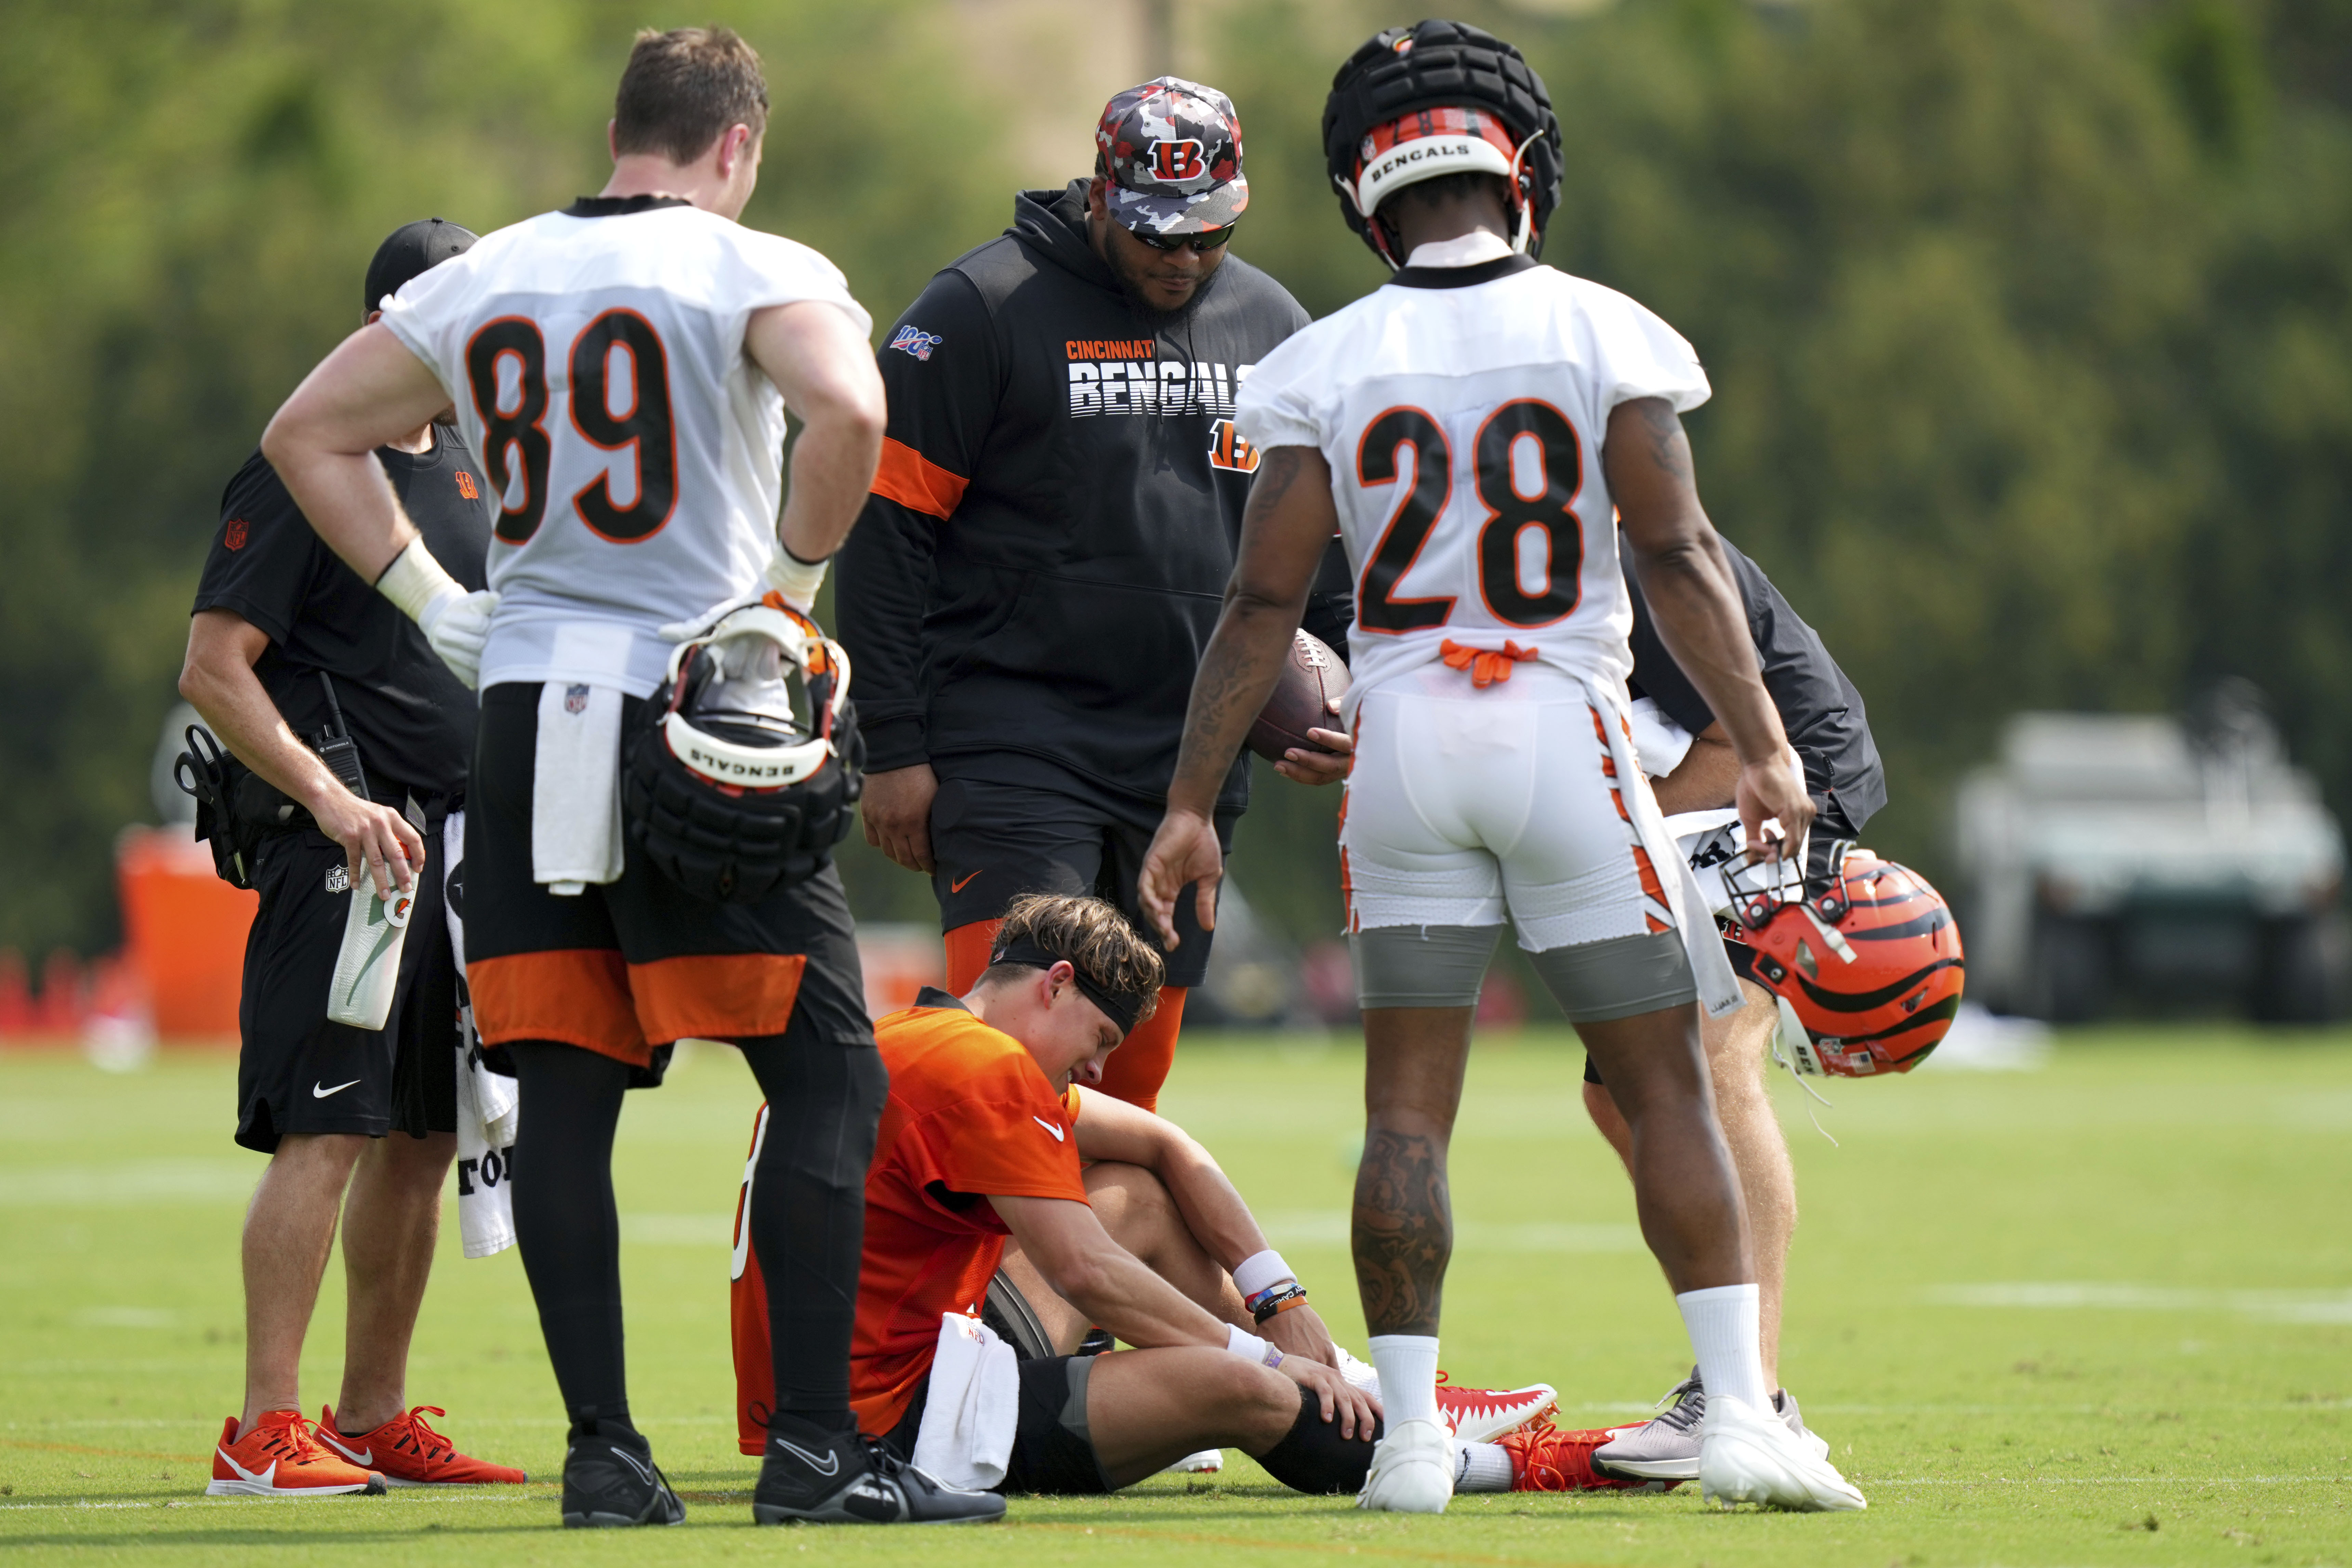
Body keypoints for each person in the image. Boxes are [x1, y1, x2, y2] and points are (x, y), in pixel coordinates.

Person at [256, 27, 996, 1529]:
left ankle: (607, 1454)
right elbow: (851, 409)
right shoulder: (745, 262)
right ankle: (809, 1454)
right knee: (828, 1080)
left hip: (528, 714)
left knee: (568, 1101)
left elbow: (306, 434)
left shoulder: (480, 276)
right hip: (697, 703)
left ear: (619, 130)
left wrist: (432, 603)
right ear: (738, 146)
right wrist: (784, 590)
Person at [1137, 20, 1865, 1514]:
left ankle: (1406, 1440)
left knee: (1405, 1111)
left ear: (1368, 200)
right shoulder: (1605, 328)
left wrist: (1189, 802)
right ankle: (1737, 1412)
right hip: (1562, 730)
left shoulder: (1320, 358)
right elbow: (1670, 551)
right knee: (1665, 1085)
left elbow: (1261, 605)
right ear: (1515, 181)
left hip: (1403, 744)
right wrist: (1771, 740)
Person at [836, 77, 1354, 1114]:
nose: (1181, 260)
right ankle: (964, 1280)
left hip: (1188, 763)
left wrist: (1355, 690)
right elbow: (884, 534)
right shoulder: (981, 307)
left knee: (1126, 1085)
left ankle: (1074, 1281)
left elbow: (1319, 554)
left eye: (1204, 237)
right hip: (1016, 741)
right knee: (1009, 1062)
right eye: (1156, 235)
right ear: (1101, 195)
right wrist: (892, 747)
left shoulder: (1274, 323)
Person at [731, 894, 1600, 1499]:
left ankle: (1361, 1386)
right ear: (1056, 981)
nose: (1100, 1068)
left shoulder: (920, 1034)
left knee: (1137, 1196)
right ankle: (1485, 1459)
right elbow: (1085, 1272)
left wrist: (1279, 1298)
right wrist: (1263, 1359)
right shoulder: (984, 1068)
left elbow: (1164, 1146)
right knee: (1242, 1393)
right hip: (891, 1424)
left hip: (831, 1393)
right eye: (1101, 1037)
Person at [181, 218, 523, 1498]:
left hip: (450, 849)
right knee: (324, 1131)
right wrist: (329, 799)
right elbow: (212, 668)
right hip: (344, 851)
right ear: (394, 328)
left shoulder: (474, 467)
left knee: (422, 1135)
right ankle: (259, 1428)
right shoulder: (296, 467)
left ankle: (371, 1412)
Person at [1583, 541, 1885, 1485]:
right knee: (1619, 1097)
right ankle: (1729, 1379)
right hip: (1698, 801)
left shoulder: (1615, 559)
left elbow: (1735, 745)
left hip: (1787, 778)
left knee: (1713, 1063)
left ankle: (1748, 1396)